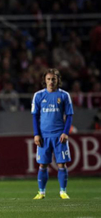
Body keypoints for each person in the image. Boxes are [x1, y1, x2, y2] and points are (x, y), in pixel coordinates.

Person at [31, 68, 74, 200]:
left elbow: (69, 115)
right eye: (48, 79)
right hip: (44, 136)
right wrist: (36, 134)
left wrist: (66, 132)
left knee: (61, 164)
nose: (51, 82)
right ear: (44, 80)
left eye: (53, 79)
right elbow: (34, 116)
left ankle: (63, 192)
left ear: (57, 80)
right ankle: (41, 192)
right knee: (43, 164)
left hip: (59, 135)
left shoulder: (64, 95)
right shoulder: (38, 95)